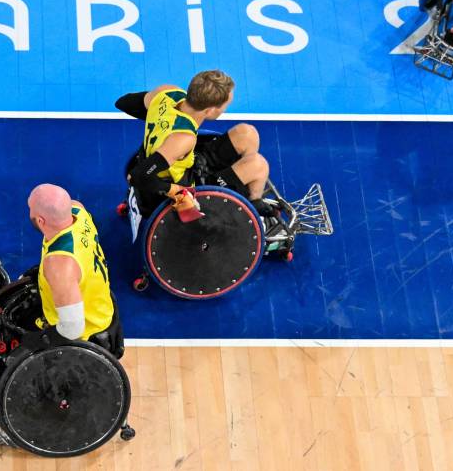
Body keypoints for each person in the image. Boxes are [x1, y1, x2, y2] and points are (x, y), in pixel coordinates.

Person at [114, 69, 274, 219]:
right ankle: (252, 205)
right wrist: (176, 191)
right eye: (226, 106)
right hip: (188, 187)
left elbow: (123, 103)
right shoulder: (183, 138)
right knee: (258, 164)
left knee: (247, 133)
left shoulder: (167, 93)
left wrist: (160, 122)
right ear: (210, 110)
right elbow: (138, 177)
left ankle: (240, 184)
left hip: (186, 161)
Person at [27, 183, 124, 358]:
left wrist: (36, 342)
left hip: (87, 337)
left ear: (41, 221)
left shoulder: (59, 263)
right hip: (100, 307)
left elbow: (73, 329)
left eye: (30, 209)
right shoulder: (79, 213)